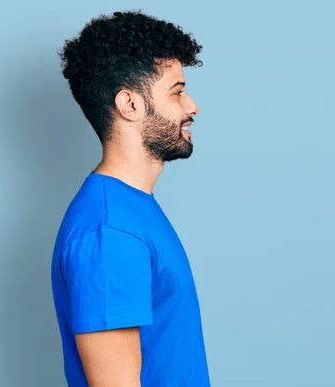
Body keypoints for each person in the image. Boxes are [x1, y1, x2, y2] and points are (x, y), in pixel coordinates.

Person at [50, 10, 210, 387]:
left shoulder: (131, 211)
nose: (192, 106)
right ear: (130, 105)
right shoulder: (111, 231)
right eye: (177, 91)